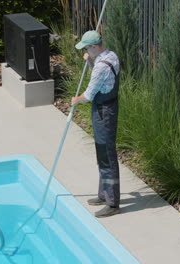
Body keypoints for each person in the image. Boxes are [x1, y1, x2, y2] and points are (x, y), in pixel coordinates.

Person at [71, 30, 121, 218]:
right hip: (107, 107)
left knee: (107, 155)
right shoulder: (110, 56)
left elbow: (89, 95)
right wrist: (90, 61)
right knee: (102, 153)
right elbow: (103, 80)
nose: (85, 50)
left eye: (86, 47)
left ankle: (112, 202)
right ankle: (103, 194)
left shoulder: (102, 67)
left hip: (104, 112)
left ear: (94, 47)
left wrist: (76, 100)